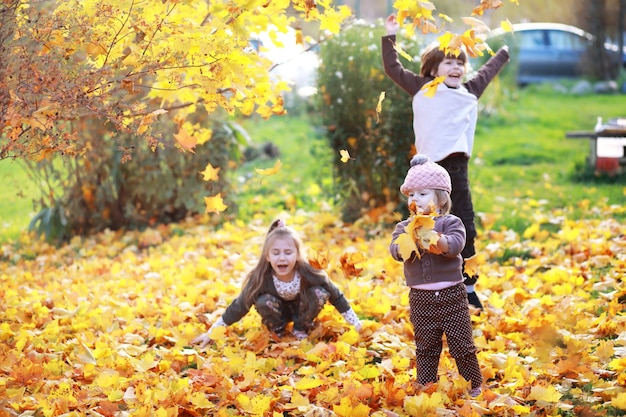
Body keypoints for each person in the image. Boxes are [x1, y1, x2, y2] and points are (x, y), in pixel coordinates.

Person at [382, 14, 510, 310]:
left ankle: (467, 285)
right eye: (449, 62)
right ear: (434, 68)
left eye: (460, 63)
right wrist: (390, 34)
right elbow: (393, 68)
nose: (456, 67)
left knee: (464, 223)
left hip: (456, 170)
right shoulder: (422, 88)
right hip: (427, 171)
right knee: (425, 223)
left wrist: (503, 51)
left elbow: (488, 69)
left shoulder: (470, 91)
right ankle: (427, 282)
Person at [389, 154, 483, 397]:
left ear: (441, 199)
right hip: (421, 299)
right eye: (411, 194)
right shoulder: (404, 227)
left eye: (422, 194)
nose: (414, 199)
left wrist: (436, 240)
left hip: (452, 296)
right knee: (426, 347)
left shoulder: (452, 222)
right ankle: (426, 385)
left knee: (462, 345)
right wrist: (407, 242)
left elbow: (455, 245)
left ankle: (473, 383)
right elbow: (396, 251)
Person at [192, 219, 362, 347]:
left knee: (319, 292)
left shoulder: (308, 272)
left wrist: (356, 324)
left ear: (297, 254)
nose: (282, 257)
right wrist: (212, 332)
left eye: (288, 252)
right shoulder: (261, 277)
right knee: (262, 300)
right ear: (268, 256)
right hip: (275, 312)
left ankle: (300, 328)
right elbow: (239, 306)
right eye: (276, 253)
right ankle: (277, 330)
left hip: (302, 311)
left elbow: (336, 296)